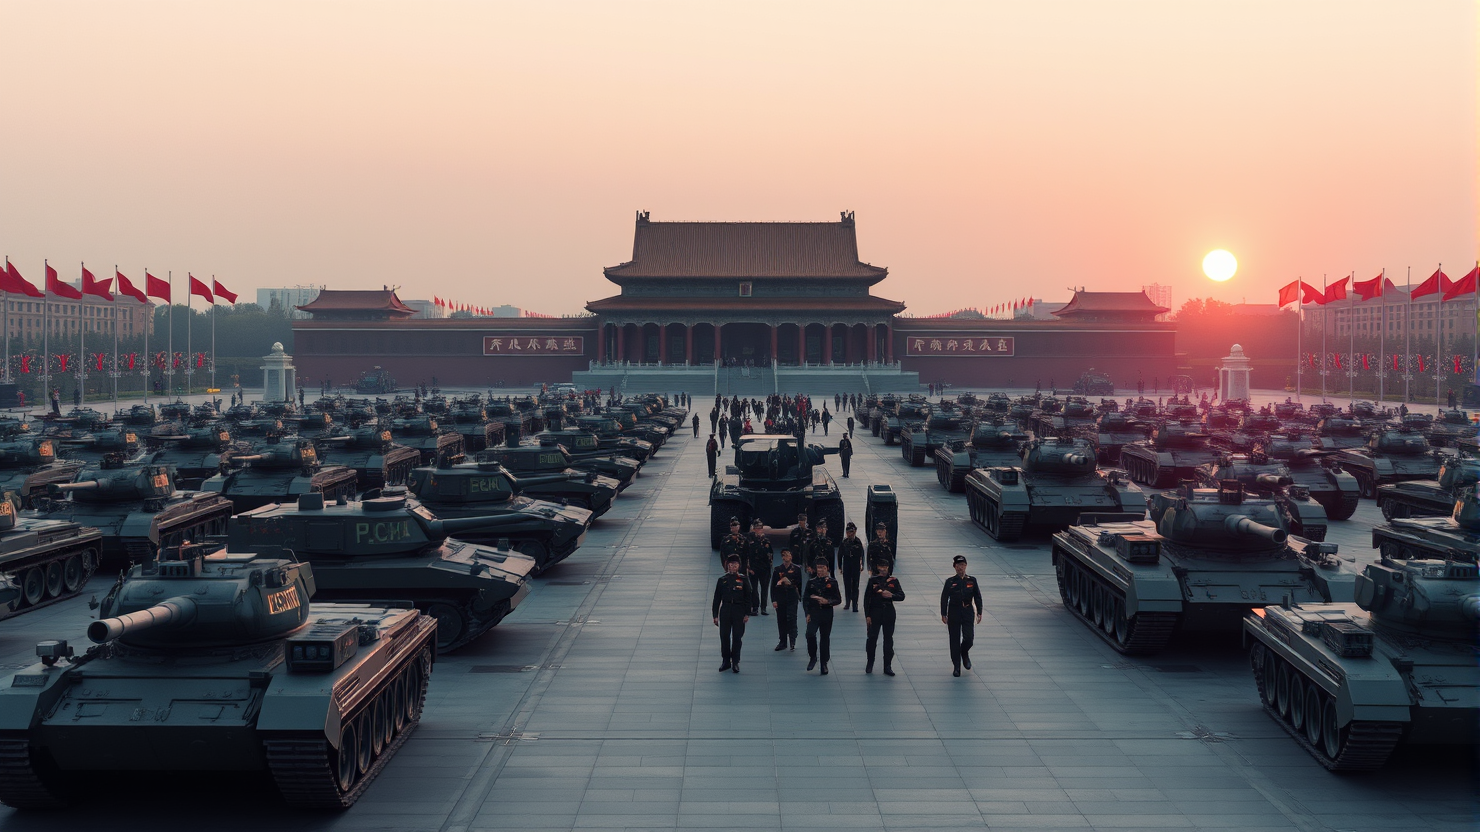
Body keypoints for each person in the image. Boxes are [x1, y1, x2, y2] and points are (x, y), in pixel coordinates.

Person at [940, 555, 983, 677]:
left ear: (966, 566)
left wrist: (979, 611)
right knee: (954, 639)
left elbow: (978, 596)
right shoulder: (950, 582)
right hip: (954, 611)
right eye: (958, 566)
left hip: (968, 610)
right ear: (955, 567)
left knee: (969, 638)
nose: (961, 568)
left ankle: (964, 652)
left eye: (963, 565)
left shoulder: (971, 580)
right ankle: (956, 666)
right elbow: (944, 598)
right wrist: (943, 613)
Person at [864, 559, 905, 675]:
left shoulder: (893, 581)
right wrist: (867, 615)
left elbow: (902, 595)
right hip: (875, 612)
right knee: (872, 638)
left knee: (888, 639)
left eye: (885, 566)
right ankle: (870, 662)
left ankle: (887, 666)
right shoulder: (873, 581)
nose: (883, 569)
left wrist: (892, 595)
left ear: (888, 567)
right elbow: (867, 599)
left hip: (888, 612)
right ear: (877, 567)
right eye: (881, 566)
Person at [712, 555, 751, 673]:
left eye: (735, 564)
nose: (733, 566)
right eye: (731, 564)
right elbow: (716, 599)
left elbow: (748, 597)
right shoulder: (722, 580)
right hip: (726, 609)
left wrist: (747, 613)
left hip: (738, 610)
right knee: (724, 636)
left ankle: (735, 661)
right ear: (727, 565)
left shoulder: (744, 579)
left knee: (737, 637)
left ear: (739, 566)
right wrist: (715, 615)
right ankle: (725, 661)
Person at [803, 559, 841, 674]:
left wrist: (827, 602)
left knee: (825, 638)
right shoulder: (811, 582)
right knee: (810, 634)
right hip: (814, 612)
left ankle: (824, 663)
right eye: (818, 568)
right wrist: (807, 613)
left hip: (826, 613)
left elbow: (838, 599)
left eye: (822, 568)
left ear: (827, 569)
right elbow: (805, 599)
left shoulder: (832, 582)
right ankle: (813, 657)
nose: (820, 570)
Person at [771, 548, 803, 651]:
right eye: (784, 556)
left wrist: (799, 596)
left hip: (792, 597)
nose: (786, 558)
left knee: (792, 619)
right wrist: (774, 600)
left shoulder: (796, 569)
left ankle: (792, 641)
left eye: (787, 555)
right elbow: (773, 586)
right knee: (781, 620)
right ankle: (783, 642)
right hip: (781, 598)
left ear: (791, 557)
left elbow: (799, 583)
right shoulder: (777, 570)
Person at [746, 518, 772, 616]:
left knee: (764, 588)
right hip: (753, 567)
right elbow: (748, 553)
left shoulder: (766, 539)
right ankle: (755, 607)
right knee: (754, 588)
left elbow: (769, 553)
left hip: (764, 568)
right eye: (756, 528)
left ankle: (763, 607)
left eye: (760, 528)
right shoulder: (749, 539)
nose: (758, 530)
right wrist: (749, 568)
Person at [838, 521, 865, 611]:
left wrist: (863, 565)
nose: (850, 534)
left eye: (852, 532)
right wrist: (839, 566)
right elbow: (840, 554)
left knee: (855, 585)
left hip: (855, 565)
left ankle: (855, 604)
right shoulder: (844, 542)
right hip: (847, 565)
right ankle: (848, 602)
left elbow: (862, 554)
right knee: (847, 585)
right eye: (848, 532)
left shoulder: (858, 542)